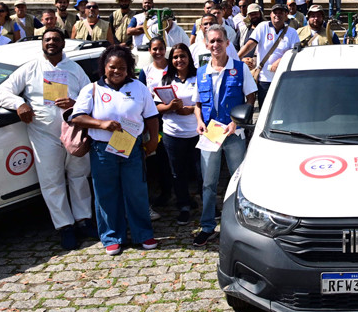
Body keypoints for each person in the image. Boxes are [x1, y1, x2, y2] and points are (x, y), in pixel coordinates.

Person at [0, 27, 95, 250]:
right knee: (52, 181)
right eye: (47, 39)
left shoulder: (75, 69)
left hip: (74, 133)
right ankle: (65, 226)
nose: (51, 43)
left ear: (63, 44)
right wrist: (20, 104)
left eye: (56, 39)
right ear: (42, 43)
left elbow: (90, 98)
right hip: (44, 134)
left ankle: (83, 220)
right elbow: (2, 92)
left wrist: (75, 103)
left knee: (79, 176)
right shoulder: (30, 68)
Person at [67, 45, 159, 255]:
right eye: (112, 67)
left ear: (129, 69)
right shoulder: (92, 89)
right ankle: (111, 236)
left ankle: (143, 233)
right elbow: (77, 117)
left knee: (136, 191)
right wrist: (101, 124)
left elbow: (151, 116)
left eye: (122, 68)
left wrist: (153, 140)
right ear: (104, 67)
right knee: (106, 193)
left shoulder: (139, 88)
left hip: (132, 147)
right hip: (102, 150)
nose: (116, 71)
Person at [193, 25, 257, 246]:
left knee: (238, 180)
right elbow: (197, 104)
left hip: (234, 132)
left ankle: (240, 225)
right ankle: (208, 226)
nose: (215, 45)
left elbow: (250, 97)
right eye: (211, 41)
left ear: (227, 43)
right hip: (211, 134)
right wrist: (199, 122)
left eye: (219, 40)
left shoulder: (240, 69)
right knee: (208, 183)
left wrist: (235, 122)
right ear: (206, 44)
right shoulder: (201, 72)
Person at [155, 43, 201, 225]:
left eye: (182, 56)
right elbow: (157, 106)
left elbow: (207, 102)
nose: (179, 60)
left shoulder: (198, 77)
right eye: (175, 57)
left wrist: (191, 110)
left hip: (196, 132)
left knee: (200, 171)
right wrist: (170, 107)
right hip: (173, 134)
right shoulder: (166, 80)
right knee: (177, 173)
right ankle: (183, 206)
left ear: (189, 57)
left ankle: (206, 204)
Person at [237, 2, 299, 106]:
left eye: (281, 13)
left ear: (286, 15)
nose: (277, 15)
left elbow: (294, 52)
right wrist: (236, 57)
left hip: (283, 78)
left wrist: (280, 61)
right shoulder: (262, 27)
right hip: (264, 79)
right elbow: (249, 45)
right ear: (270, 14)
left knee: (282, 109)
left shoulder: (292, 32)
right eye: (275, 12)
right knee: (265, 109)